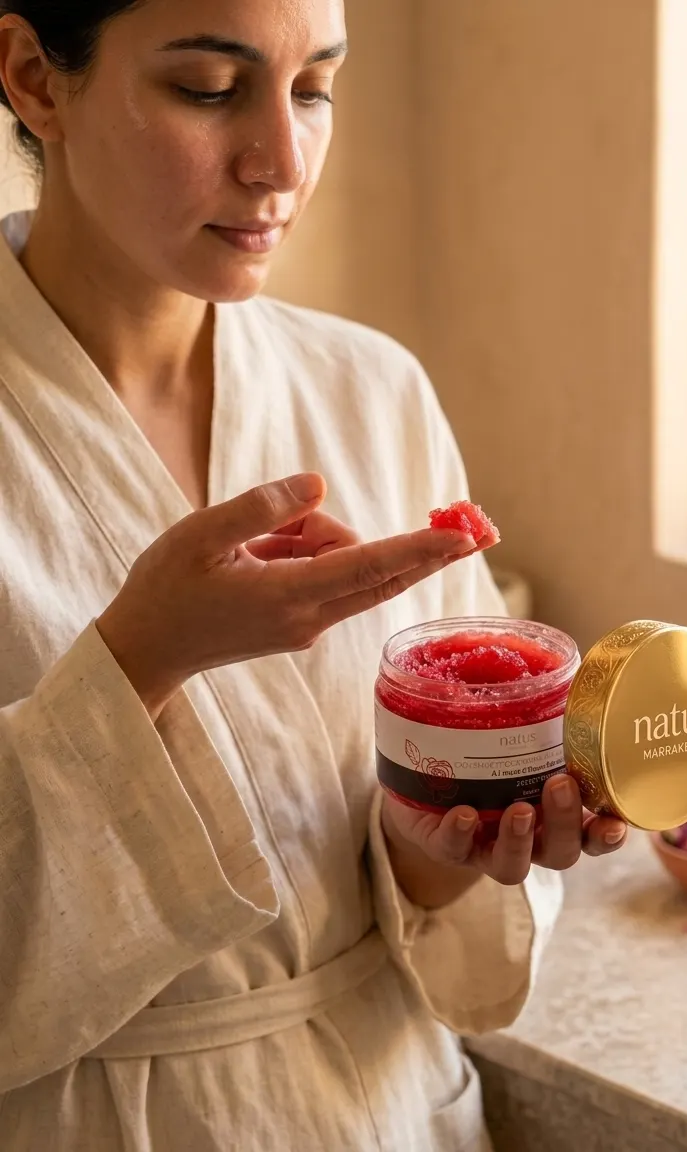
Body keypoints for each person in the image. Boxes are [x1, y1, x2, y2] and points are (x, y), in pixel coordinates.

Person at [0, 2, 628, 1148]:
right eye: (206, 88)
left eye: (315, 89)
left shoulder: (369, 390)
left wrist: (436, 852)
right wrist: (142, 657)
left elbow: (410, 864)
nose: (280, 161)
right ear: (36, 77)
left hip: (378, 1104)